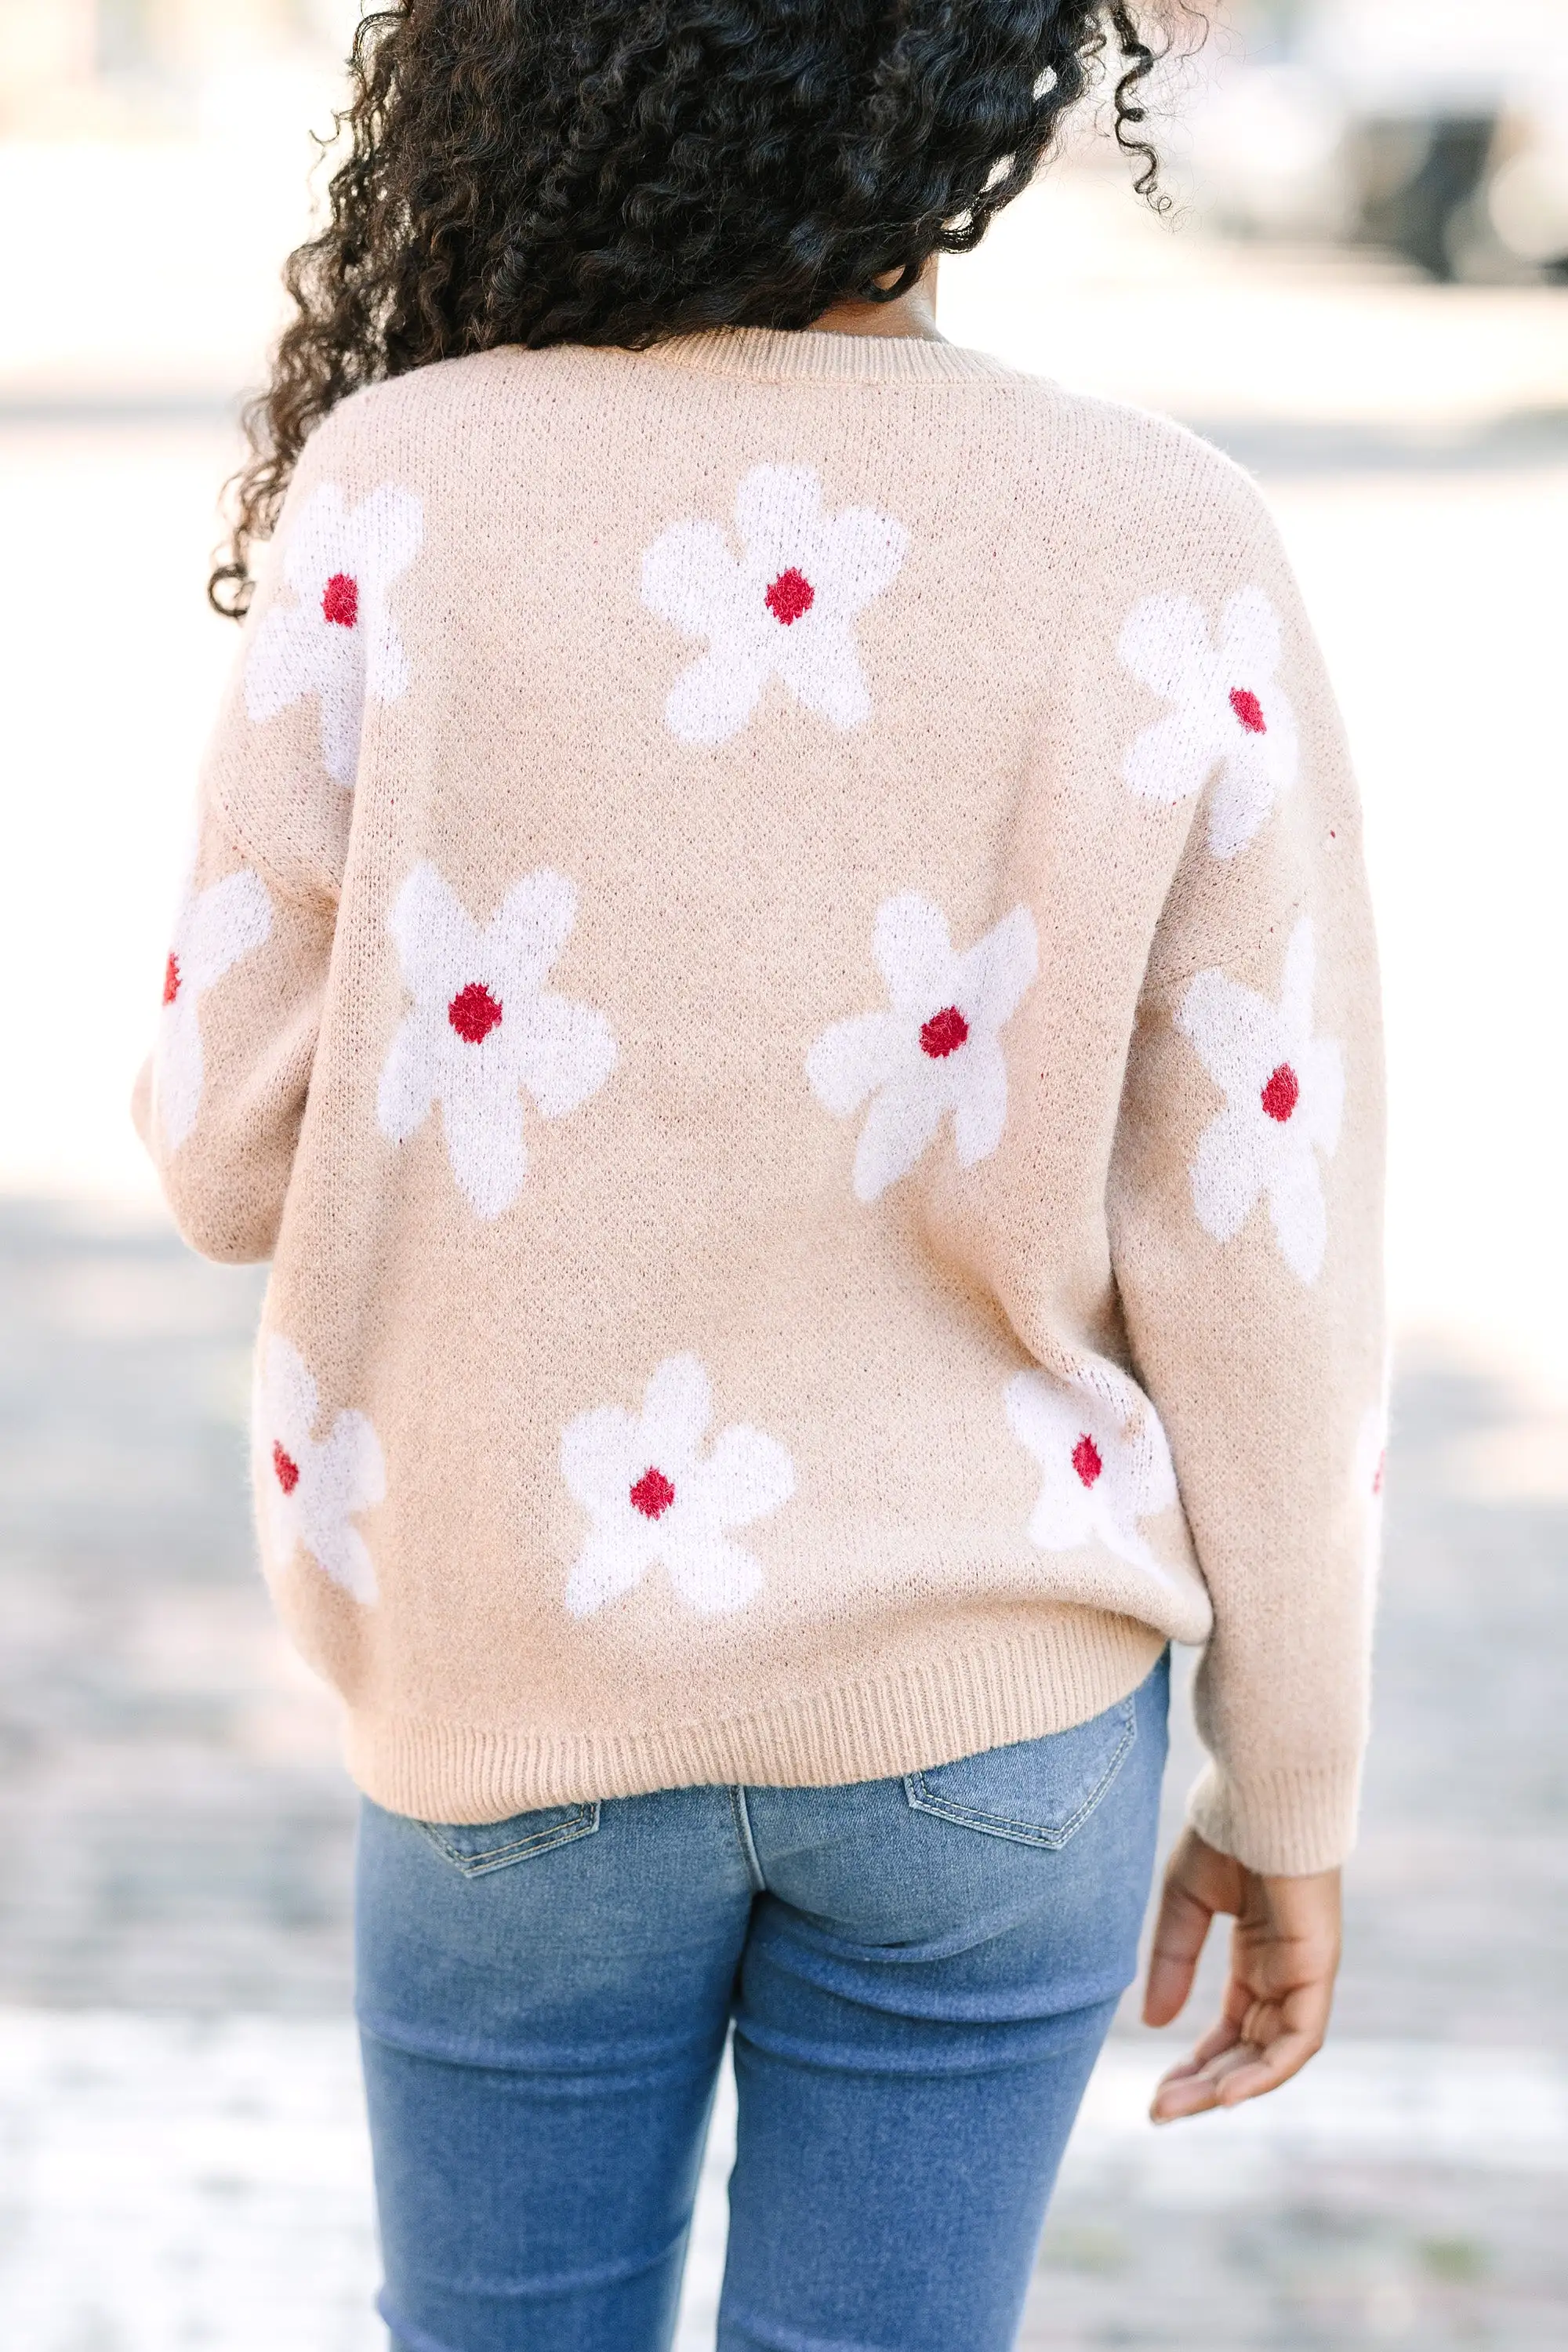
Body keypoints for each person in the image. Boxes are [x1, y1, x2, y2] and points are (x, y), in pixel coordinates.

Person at [136, 5, 1383, 2347]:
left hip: (518, 1684)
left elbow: (222, 1149)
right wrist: (1290, 1782)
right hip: (996, 1722)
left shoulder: (407, 489)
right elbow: (1263, 1253)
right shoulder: (1163, 534)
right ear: (991, 79)